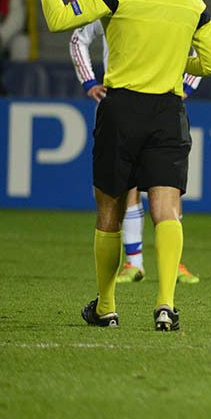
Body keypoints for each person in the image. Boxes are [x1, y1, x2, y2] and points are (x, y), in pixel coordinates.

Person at [35, 0, 211, 331]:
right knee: (167, 210)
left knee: (110, 213)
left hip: (121, 111)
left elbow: (58, 20)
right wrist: (177, 62)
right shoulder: (191, 1)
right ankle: (165, 305)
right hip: (169, 113)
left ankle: (106, 307)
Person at [69, 20, 202, 284]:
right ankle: (135, 262)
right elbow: (78, 38)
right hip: (121, 103)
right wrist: (89, 82)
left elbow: (202, 46)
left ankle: (171, 261)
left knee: (167, 185)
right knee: (125, 185)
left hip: (162, 104)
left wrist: (186, 87)